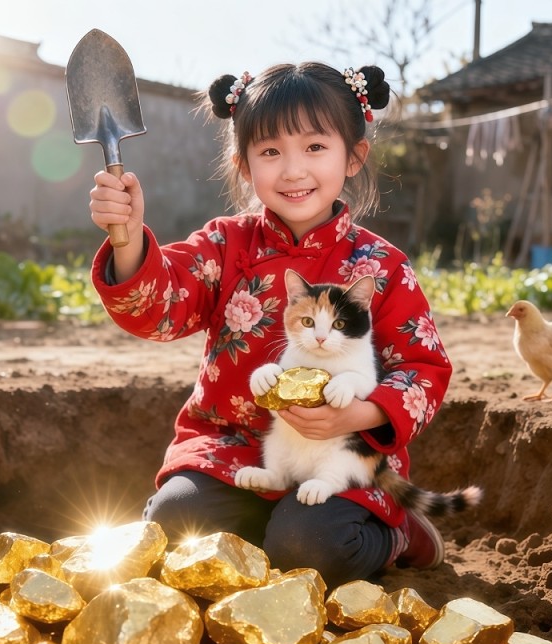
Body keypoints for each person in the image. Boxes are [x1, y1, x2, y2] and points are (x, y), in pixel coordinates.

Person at [87, 61, 452, 587]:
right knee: (173, 527)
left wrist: (358, 416)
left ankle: (398, 533)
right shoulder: (224, 244)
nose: (293, 170)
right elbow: (158, 309)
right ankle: (269, 528)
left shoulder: (383, 266)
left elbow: (422, 367)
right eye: (270, 151)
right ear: (244, 164)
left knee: (311, 547)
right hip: (229, 448)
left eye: (315, 147)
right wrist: (128, 241)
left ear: (354, 156)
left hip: (339, 457)